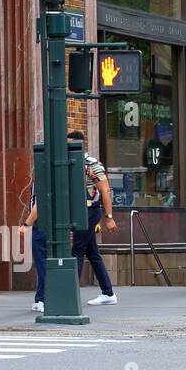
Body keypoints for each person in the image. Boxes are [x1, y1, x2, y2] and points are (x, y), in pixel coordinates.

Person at [69, 130, 118, 306]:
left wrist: (109, 217)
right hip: (81, 211)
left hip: (89, 211)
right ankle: (108, 293)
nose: (67, 147)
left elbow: (105, 190)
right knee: (91, 252)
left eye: (70, 143)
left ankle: (70, 295)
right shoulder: (74, 162)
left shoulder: (91, 164)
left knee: (77, 250)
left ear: (79, 144)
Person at [23, 185, 47, 313]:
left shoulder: (43, 178)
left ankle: (42, 299)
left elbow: (39, 204)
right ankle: (42, 298)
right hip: (51, 225)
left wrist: (27, 224)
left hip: (41, 226)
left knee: (42, 264)